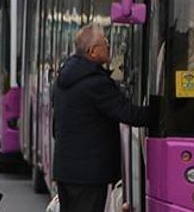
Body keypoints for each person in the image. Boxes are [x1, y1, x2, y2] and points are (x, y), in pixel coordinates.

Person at [53, 23, 150, 212]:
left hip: (65, 171)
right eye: (105, 43)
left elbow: (56, 127)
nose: (109, 47)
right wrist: (165, 110)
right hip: (89, 175)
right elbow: (128, 113)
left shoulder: (63, 79)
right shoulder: (95, 83)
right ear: (92, 51)